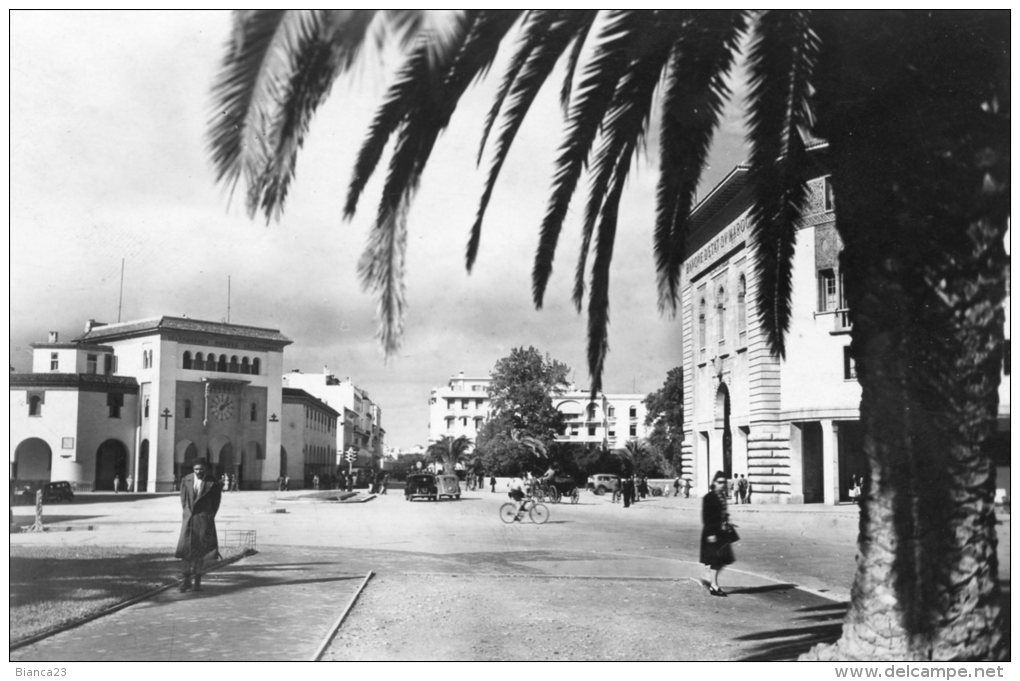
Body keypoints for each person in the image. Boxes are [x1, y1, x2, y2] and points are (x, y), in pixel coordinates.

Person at [175, 458, 222, 593]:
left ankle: (197, 583)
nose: (198, 472)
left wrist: (208, 516)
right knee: (186, 553)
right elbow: (183, 500)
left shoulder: (212, 482)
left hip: (203, 521)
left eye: (201, 469)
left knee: (200, 553)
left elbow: (216, 503)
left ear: (205, 469)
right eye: (196, 469)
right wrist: (187, 514)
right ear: (193, 469)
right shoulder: (186, 480)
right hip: (189, 522)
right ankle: (186, 582)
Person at [701, 471, 736, 596]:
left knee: (726, 559)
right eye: (720, 482)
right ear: (714, 483)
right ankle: (714, 586)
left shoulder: (722, 496)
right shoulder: (709, 497)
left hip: (721, 532)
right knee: (716, 560)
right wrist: (710, 535)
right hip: (712, 533)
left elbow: (722, 513)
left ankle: (707, 576)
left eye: (724, 482)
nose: (723, 485)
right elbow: (706, 517)